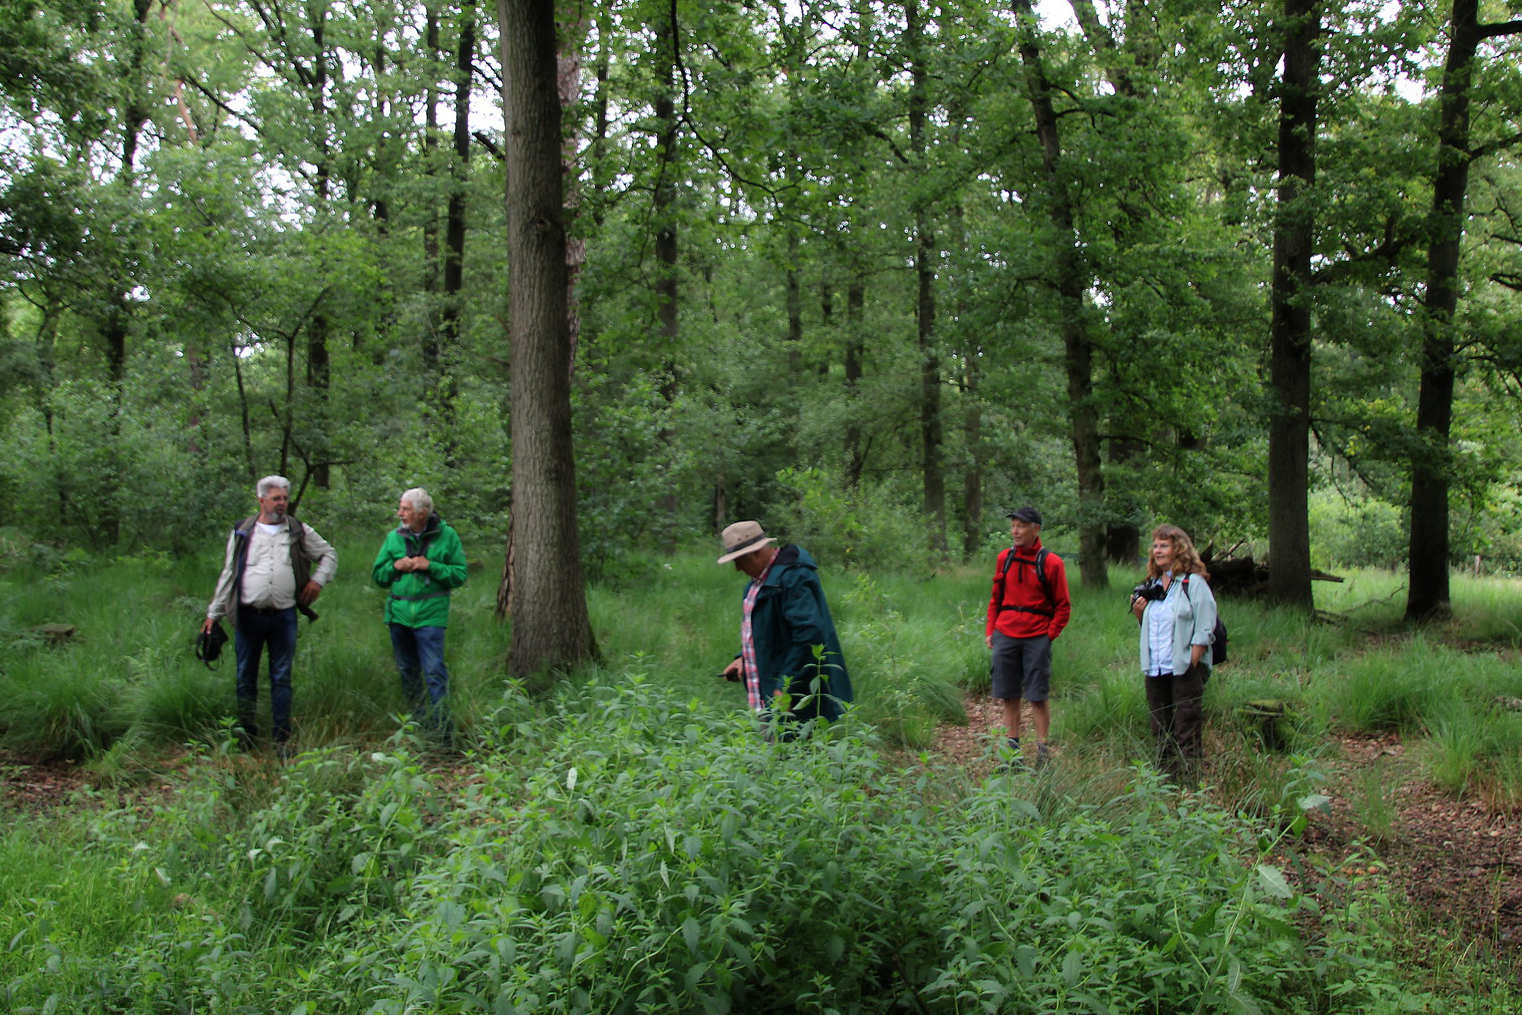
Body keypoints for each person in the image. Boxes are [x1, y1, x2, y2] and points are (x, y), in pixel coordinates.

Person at [204, 475, 337, 752]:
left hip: (283, 616)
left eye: (285, 498)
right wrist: (214, 614)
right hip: (248, 615)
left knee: (281, 677)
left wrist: (317, 581)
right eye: (276, 498)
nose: (282, 503)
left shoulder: (298, 530)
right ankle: (247, 738)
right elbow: (229, 572)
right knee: (245, 677)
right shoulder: (243, 531)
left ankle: (281, 740)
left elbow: (329, 554)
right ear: (261, 500)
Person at [717, 520, 853, 730]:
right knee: (770, 746)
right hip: (763, 695)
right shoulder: (756, 584)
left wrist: (785, 687)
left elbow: (809, 634)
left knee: (790, 747)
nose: (738, 568)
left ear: (756, 553)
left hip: (790, 699)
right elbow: (762, 631)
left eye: (740, 560)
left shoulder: (793, 578)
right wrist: (742, 658)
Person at [370, 487, 468, 736]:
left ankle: (443, 731)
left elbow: (459, 575)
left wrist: (430, 566)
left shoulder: (447, 536)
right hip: (398, 615)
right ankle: (419, 726)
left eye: (405, 509)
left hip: (431, 615)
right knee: (407, 671)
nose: (399, 513)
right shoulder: (394, 537)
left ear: (422, 513)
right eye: (400, 508)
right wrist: (395, 566)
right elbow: (378, 576)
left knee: (434, 671)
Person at [1130, 523, 1218, 784]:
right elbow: (1151, 626)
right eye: (1155, 546)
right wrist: (1139, 612)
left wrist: (1192, 659)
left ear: (1178, 549)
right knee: (1160, 728)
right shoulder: (1153, 584)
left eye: (1164, 546)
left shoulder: (1193, 583)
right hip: (1155, 667)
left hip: (1183, 667)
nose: (1157, 550)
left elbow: (1206, 625)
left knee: (1186, 727)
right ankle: (1165, 785)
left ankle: (1191, 786)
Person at [985, 506, 1071, 770]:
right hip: (1006, 634)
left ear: (1036, 529)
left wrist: (1048, 636)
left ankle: (1043, 753)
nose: (1015, 531)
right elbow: (995, 598)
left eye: (1021, 526)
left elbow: (1063, 606)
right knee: (1008, 695)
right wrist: (991, 630)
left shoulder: (1051, 563)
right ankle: (1012, 755)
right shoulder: (1005, 558)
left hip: (1037, 636)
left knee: (1037, 696)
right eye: (1013, 526)